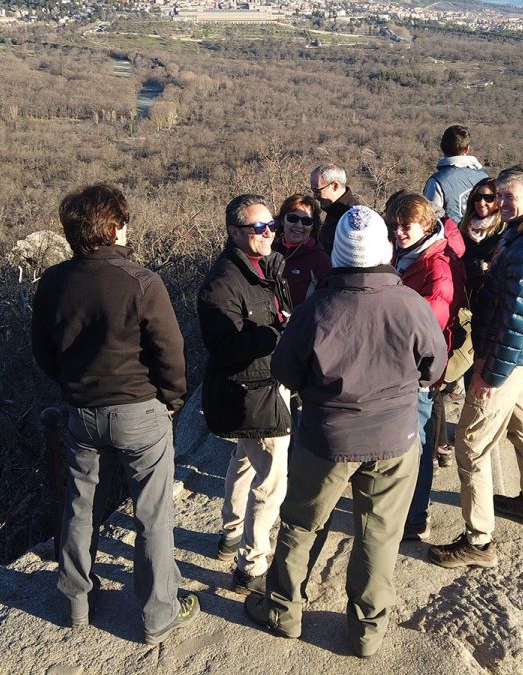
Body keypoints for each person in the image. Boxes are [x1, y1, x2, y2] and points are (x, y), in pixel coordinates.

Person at [243, 206, 447, 658]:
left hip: (327, 439)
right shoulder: (411, 305)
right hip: (396, 439)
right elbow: (435, 368)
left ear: (337, 255)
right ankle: (367, 633)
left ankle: (283, 610)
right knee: (379, 534)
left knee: (301, 524)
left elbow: (286, 371)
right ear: (385, 251)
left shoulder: (318, 307)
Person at [31, 184, 197, 646]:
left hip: (82, 411)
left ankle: (75, 603)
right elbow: (170, 351)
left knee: (81, 506)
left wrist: (72, 387)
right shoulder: (141, 281)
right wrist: (172, 399)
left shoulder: (53, 282)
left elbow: (43, 352)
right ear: (113, 228)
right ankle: (157, 615)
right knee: (152, 513)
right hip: (140, 411)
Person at [429, 166, 523, 569]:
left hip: (505, 357)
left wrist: (488, 375)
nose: (504, 205)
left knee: (471, 448)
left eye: (512, 198)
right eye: (502, 197)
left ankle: (478, 540)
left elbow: (516, 321)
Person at [197, 194, 292, 595]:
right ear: (234, 232)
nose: (269, 232)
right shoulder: (222, 284)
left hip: (263, 384)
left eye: (271, 225)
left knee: (243, 461)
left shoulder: (263, 265)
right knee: (272, 479)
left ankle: (231, 533)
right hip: (255, 390)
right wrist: (277, 333)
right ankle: (251, 565)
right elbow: (226, 350)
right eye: (258, 227)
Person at [385, 193, 465, 539]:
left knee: (415, 444)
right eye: (396, 226)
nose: (399, 232)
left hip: (417, 369)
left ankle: (415, 516)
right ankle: (411, 509)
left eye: (407, 226)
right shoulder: (413, 256)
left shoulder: (436, 268)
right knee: (414, 438)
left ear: (427, 225)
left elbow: (428, 328)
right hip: (409, 366)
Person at [273, 193, 331, 307]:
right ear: (282, 220)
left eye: (306, 221)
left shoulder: (320, 260)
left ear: (313, 226)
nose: (299, 226)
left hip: (302, 322)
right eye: (293, 218)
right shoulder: (269, 251)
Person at [423, 124, 488, 224]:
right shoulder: (484, 177)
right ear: (467, 149)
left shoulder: (437, 182)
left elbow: (430, 221)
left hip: (453, 238)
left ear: (442, 148)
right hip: (485, 237)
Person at [460, 177, 505, 311]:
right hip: (465, 296)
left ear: (498, 200)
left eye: (488, 198)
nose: (481, 202)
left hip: (491, 300)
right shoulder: (463, 226)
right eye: (477, 197)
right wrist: (481, 265)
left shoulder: (504, 230)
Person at [310, 162, 357, 255]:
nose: (315, 196)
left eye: (317, 191)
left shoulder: (354, 218)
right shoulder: (333, 211)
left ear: (335, 186)